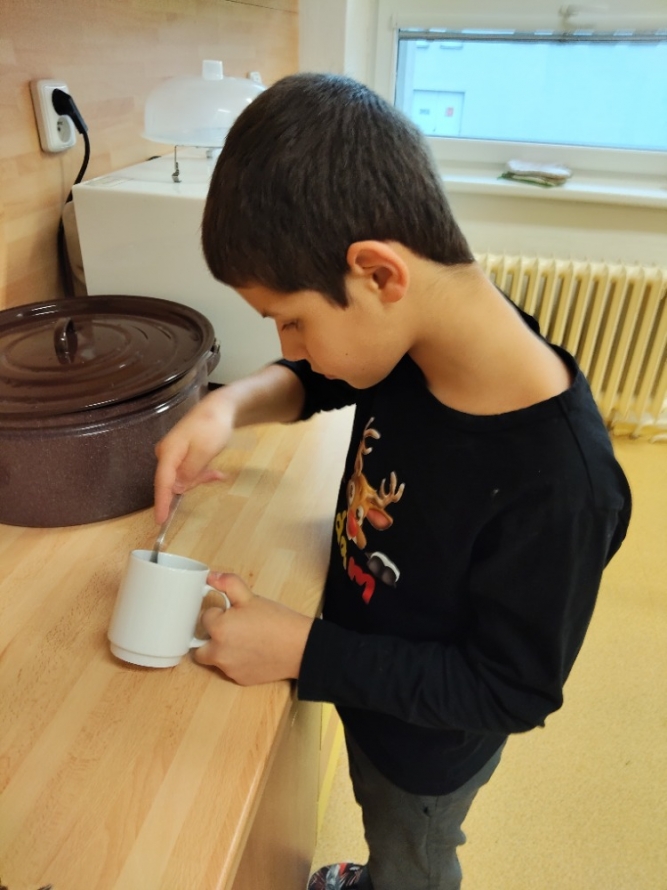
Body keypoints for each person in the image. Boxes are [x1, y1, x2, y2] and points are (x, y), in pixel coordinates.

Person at [153, 73, 632, 890]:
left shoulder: (562, 485)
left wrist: (303, 649)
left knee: (407, 842)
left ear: (378, 275)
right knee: (374, 805)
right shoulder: (426, 336)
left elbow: (510, 691)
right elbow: (325, 378)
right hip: (367, 676)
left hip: (426, 748)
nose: (289, 346)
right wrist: (227, 406)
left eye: (292, 320)